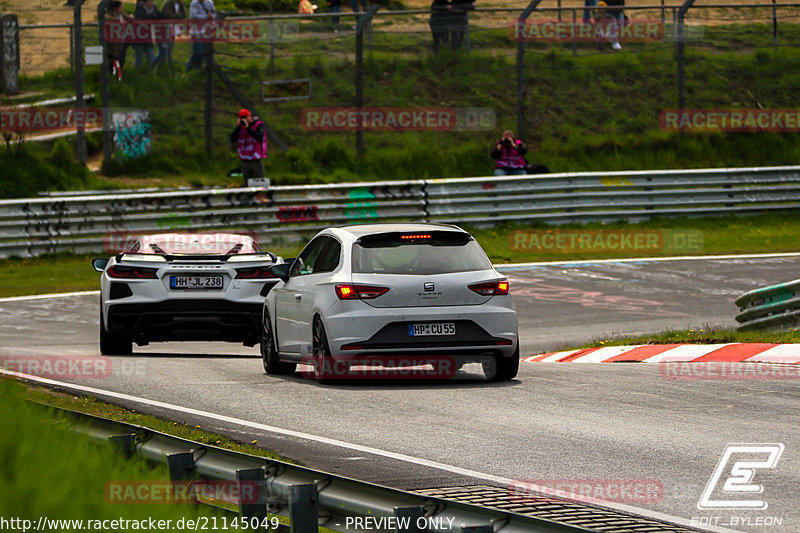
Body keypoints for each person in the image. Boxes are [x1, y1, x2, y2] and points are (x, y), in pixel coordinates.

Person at [230, 109, 268, 185]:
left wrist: (248, 128)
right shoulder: (240, 127)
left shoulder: (257, 125)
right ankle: (248, 195)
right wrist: (237, 128)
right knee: (247, 183)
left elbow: (259, 137)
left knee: (259, 182)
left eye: (245, 117)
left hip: (255, 158)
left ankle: (260, 195)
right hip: (244, 159)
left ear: (249, 117)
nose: (244, 119)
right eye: (242, 117)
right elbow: (232, 139)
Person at [156, 0, 186, 69]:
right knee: (163, 51)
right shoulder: (168, 3)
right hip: (163, 30)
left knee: (169, 51)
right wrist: (178, 16)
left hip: (172, 30)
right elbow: (167, 14)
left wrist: (177, 16)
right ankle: (160, 69)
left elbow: (184, 15)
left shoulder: (180, 4)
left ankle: (161, 68)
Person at [186, 0, 215, 71]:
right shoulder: (194, 3)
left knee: (204, 52)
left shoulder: (210, 2)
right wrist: (206, 17)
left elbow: (214, 13)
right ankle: (189, 68)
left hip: (206, 30)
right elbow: (193, 16)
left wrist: (212, 17)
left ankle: (196, 68)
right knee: (197, 51)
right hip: (195, 31)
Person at [107, 1, 132, 80]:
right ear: (116, 9)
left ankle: (118, 73)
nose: (122, 9)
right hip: (113, 43)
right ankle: (111, 74)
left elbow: (128, 18)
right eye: (121, 7)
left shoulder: (121, 15)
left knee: (121, 58)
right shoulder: (109, 16)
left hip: (122, 40)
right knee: (112, 58)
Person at [133, 0, 161, 68]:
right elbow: (139, 20)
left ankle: (149, 72)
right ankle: (137, 72)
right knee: (139, 57)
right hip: (139, 37)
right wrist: (151, 17)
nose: (152, 2)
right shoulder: (139, 9)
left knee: (150, 55)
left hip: (150, 36)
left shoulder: (155, 9)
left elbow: (159, 17)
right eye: (150, 1)